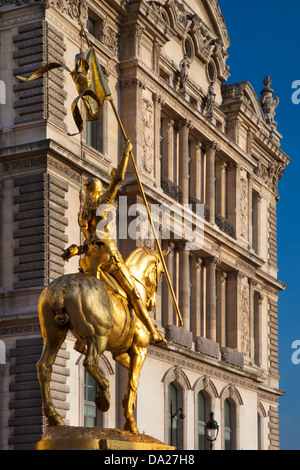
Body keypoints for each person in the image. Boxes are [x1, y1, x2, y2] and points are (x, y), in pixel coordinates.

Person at [66, 140, 167, 346]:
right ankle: (152, 330)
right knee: (134, 293)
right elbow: (118, 178)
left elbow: (89, 240)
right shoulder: (104, 202)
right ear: (98, 191)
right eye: (100, 189)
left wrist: (77, 249)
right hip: (108, 258)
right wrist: (125, 155)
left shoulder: (83, 213)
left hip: (88, 262)